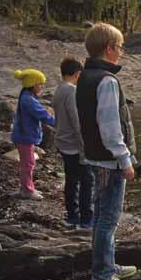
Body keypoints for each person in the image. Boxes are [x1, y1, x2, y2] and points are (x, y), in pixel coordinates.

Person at [76, 23, 138, 280]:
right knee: (107, 220)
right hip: (109, 162)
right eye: (120, 47)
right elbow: (110, 127)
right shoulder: (107, 81)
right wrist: (125, 160)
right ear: (109, 48)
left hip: (94, 158)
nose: (122, 52)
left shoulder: (85, 77)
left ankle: (108, 265)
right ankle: (102, 274)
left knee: (102, 216)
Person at [53, 56, 94, 229]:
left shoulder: (59, 89)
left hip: (62, 141)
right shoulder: (71, 90)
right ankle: (86, 218)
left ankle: (72, 215)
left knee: (71, 179)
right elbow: (77, 121)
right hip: (74, 145)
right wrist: (85, 145)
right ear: (77, 74)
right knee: (87, 180)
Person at [11, 69, 55, 200]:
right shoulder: (28, 100)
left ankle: (27, 187)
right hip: (24, 137)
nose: (42, 87)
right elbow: (43, 115)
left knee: (27, 163)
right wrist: (58, 123)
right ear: (33, 85)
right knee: (28, 164)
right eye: (40, 84)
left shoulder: (27, 97)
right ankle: (27, 190)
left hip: (24, 136)